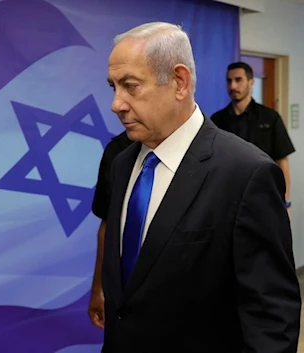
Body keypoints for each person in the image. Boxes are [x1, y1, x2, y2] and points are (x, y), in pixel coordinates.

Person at [102, 22, 300, 352]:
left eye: (130, 86)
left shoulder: (247, 175)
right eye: (113, 87)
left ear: (179, 82)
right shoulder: (122, 164)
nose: (116, 104)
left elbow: (271, 316)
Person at [210, 61, 295, 210]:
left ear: (251, 82)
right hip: (227, 198)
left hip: (264, 196)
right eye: (229, 81)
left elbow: (282, 162)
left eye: (238, 80)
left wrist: (285, 203)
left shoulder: (270, 118)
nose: (233, 86)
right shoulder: (217, 120)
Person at [88, 131, 133, 329]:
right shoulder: (117, 151)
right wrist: (99, 287)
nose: (117, 106)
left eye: (133, 96)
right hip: (127, 293)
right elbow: (107, 225)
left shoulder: (209, 150)